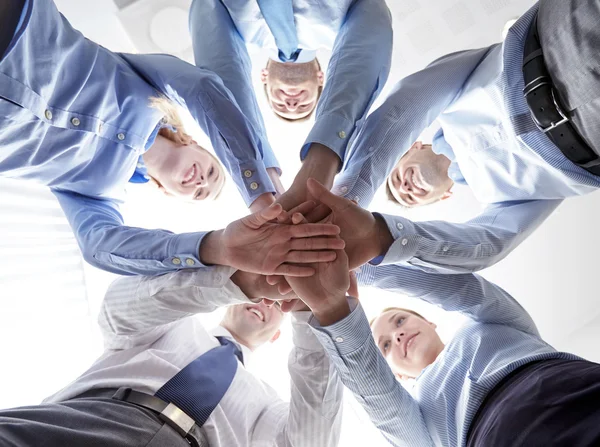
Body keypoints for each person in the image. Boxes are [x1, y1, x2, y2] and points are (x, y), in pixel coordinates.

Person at [0, 0, 343, 276]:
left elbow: (98, 246)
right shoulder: (150, 88)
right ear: (195, 143)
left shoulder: (97, 194)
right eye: (211, 172)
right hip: (20, 27)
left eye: (197, 193)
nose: (199, 182)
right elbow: (203, 87)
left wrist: (219, 246)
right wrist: (259, 191)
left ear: (169, 193)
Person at [330, 0, 600, 273]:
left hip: (563, 33)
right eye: (409, 198)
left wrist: (350, 196)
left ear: (413, 146)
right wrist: (380, 237)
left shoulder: (447, 104)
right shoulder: (501, 200)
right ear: (444, 196)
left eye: (397, 177)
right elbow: (490, 246)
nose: (405, 188)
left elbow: (405, 104)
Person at [281, 244, 600, 446]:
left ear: (430, 322)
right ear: (397, 373)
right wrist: (333, 307)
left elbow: (462, 289)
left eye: (400, 321)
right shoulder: (416, 406)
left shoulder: (490, 323)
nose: (399, 336)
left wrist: (359, 266)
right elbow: (380, 399)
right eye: (386, 346)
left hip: (574, 387)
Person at [0, 266, 344, 446]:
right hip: (95, 418)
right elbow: (119, 308)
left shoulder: (270, 404)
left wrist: (312, 311)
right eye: (263, 295)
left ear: (278, 335)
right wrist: (242, 280)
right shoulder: (176, 324)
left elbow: (311, 439)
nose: (265, 302)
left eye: (276, 304)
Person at [188, 0, 393, 212]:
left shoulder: (234, 22)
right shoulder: (347, 18)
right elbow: (373, 16)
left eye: (281, 105)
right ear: (321, 79)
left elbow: (217, 63)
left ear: (264, 78)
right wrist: (325, 151)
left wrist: (260, 174)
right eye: (303, 106)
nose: (292, 104)